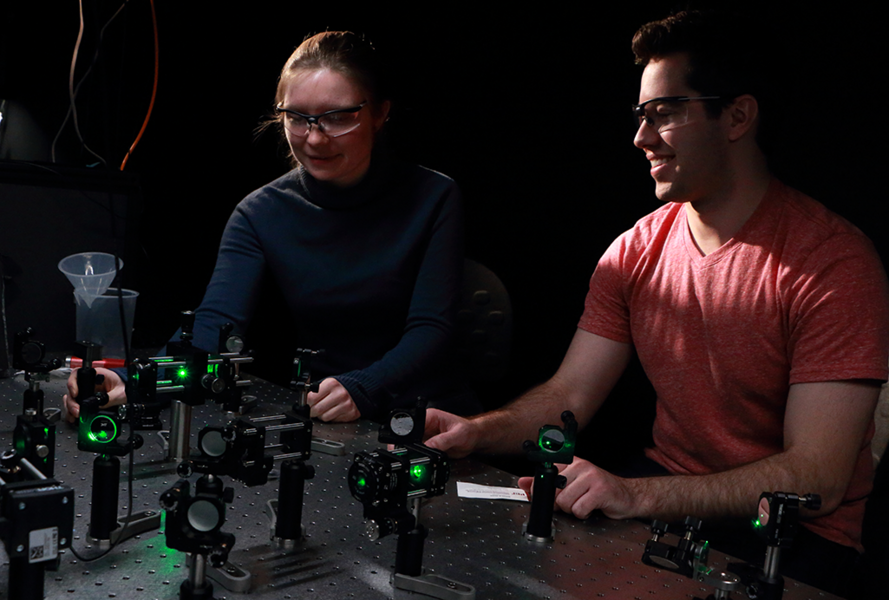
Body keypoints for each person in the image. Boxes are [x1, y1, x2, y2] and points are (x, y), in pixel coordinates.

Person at [423, 10, 888, 595]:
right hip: (666, 499)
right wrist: (474, 432)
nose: (640, 137)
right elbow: (568, 398)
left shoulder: (833, 261)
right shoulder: (635, 249)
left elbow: (815, 477)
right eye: (641, 115)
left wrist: (632, 493)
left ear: (738, 116)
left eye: (663, 113)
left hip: (791, 536)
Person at [65, 31, 468, 423]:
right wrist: (135, 380)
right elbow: (213, 325)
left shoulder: (433, 197)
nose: (315, 138)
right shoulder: (260, 213)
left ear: (380, 113)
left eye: (338, 117)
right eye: (297, 118)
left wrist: (363, 387)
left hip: (430, 416)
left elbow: (431, 329)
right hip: (329, 414)